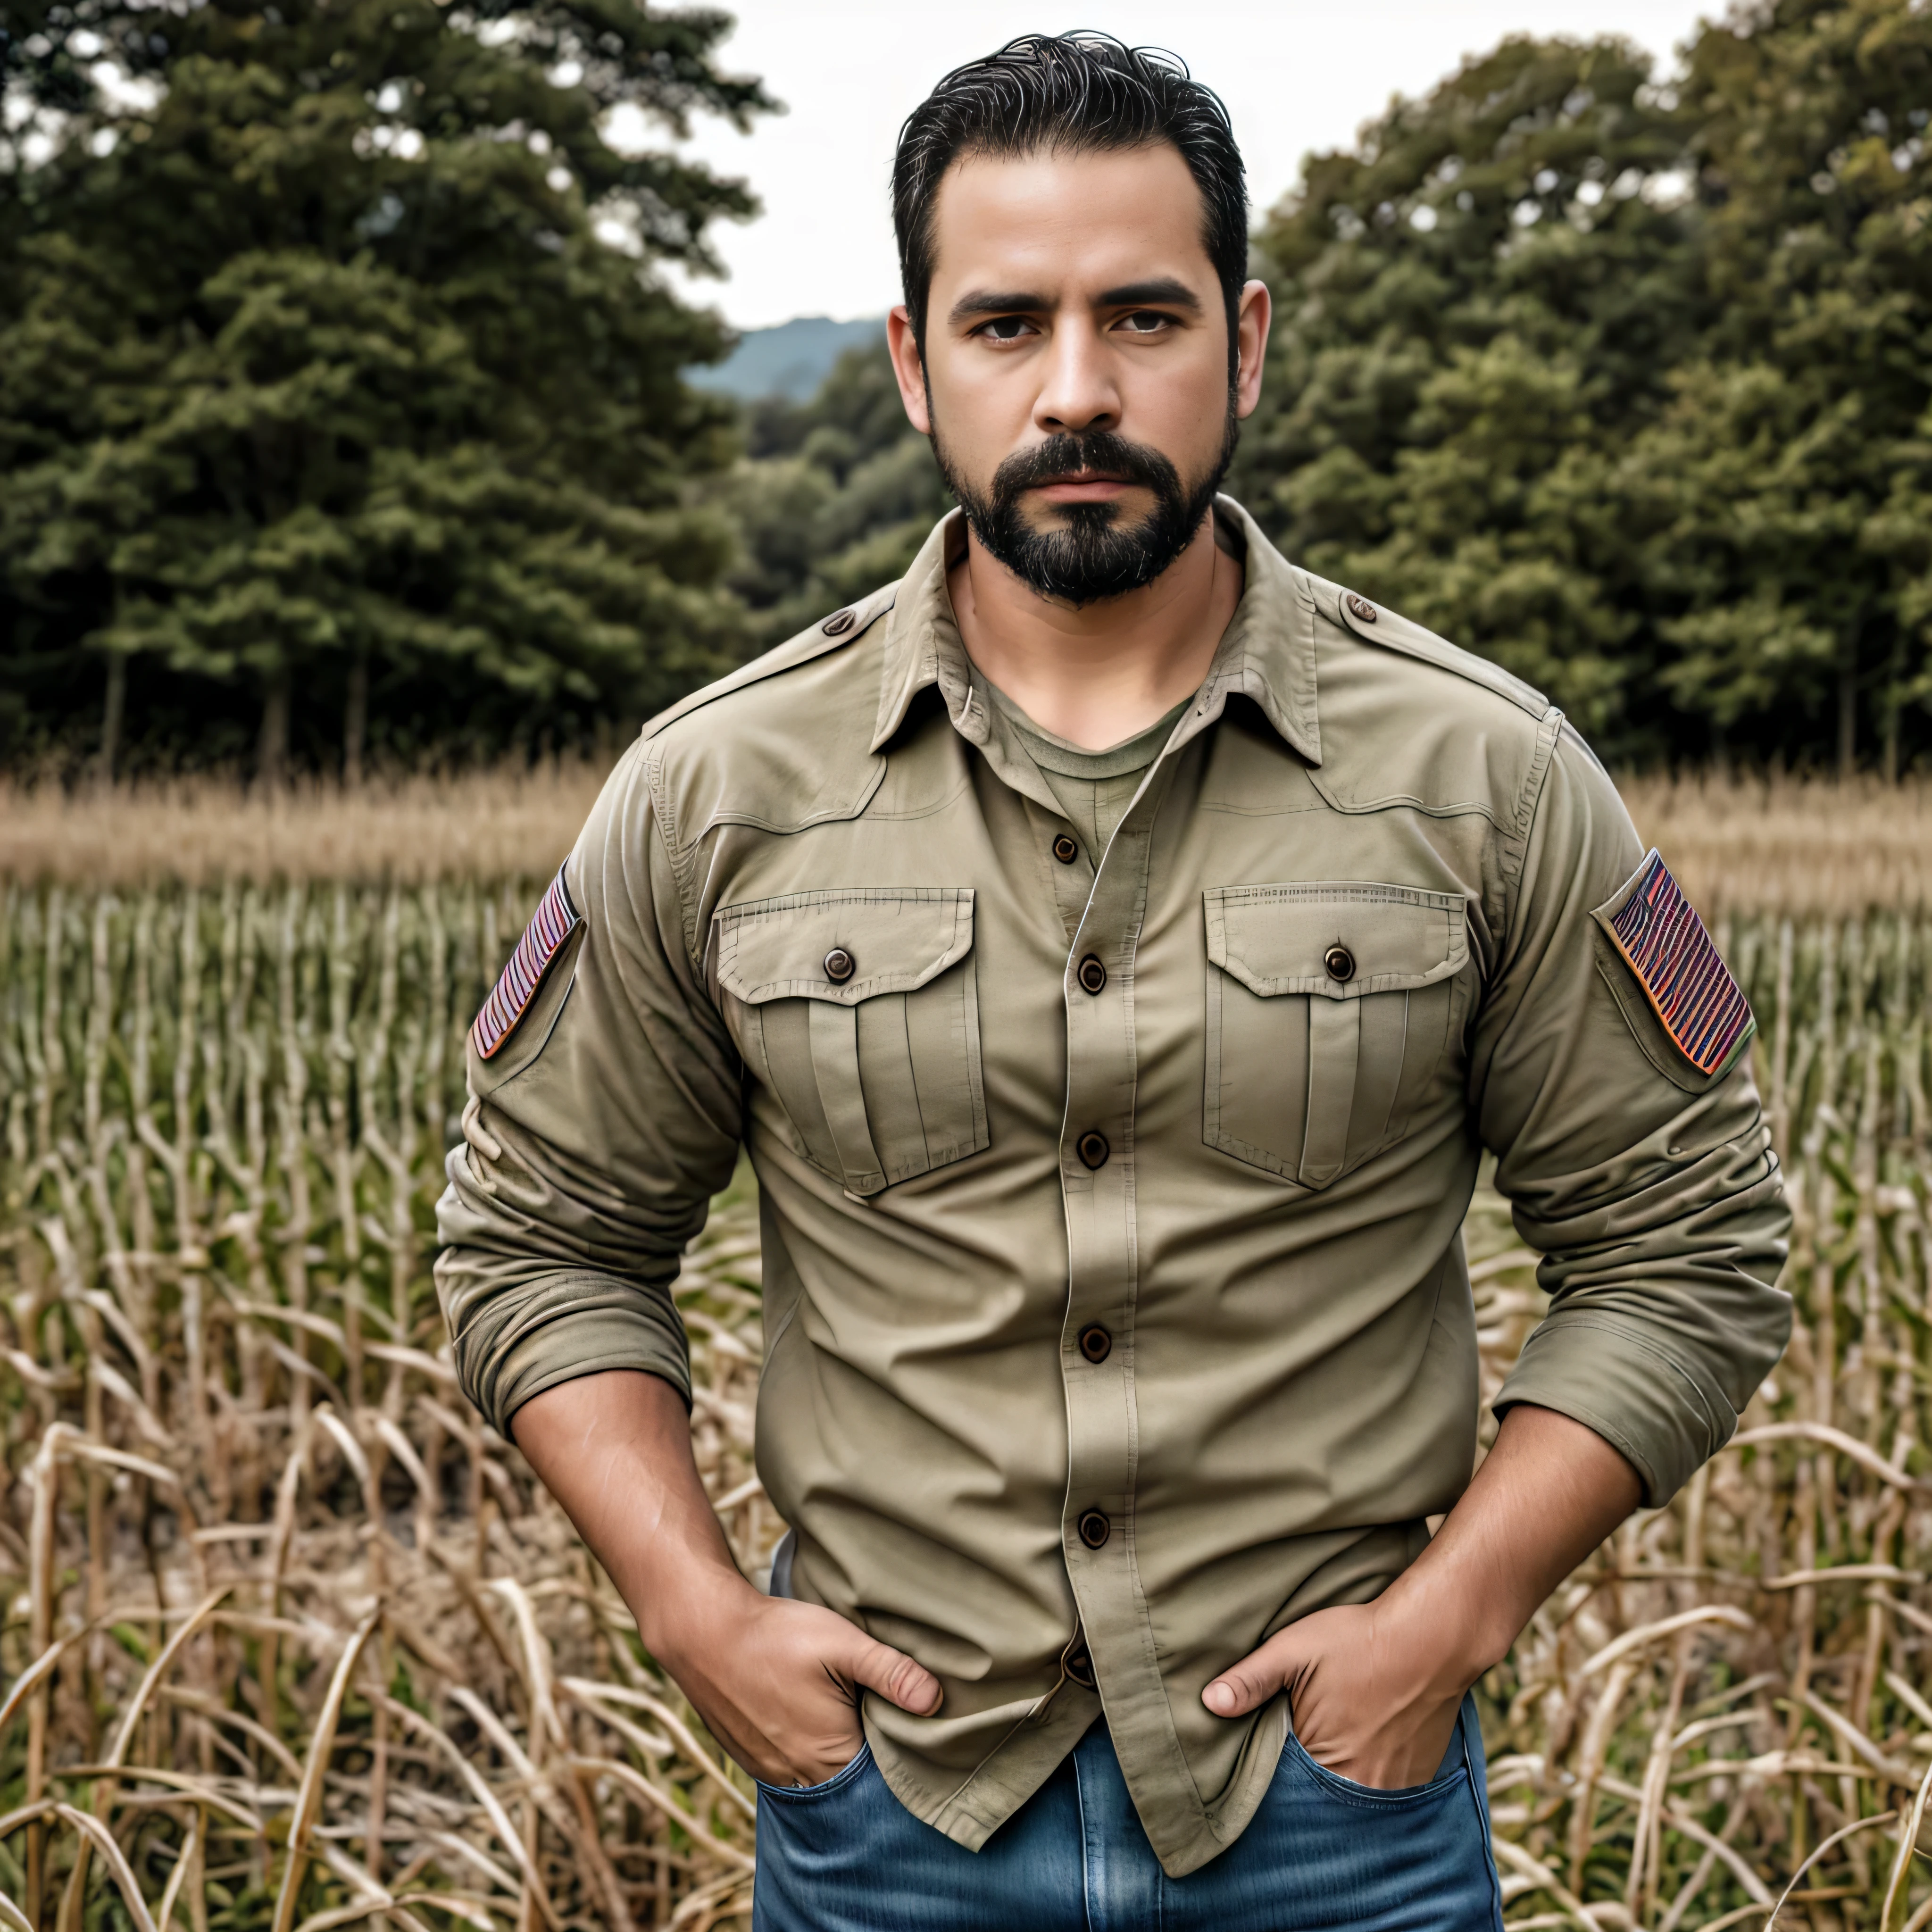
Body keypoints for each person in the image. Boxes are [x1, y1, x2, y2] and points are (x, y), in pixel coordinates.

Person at [435, 33, 1791, 1932]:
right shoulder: (713, 791)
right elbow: (542, 1239)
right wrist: (700, 1616)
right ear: (914, 363)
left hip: (1335, 1822)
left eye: (1141, 316)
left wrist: (1443, 1626)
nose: (1077, 389)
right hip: (892, 1814)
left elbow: (1687, 1244)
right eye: (1005, 326)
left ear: (1242, 342)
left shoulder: (1486, 775)